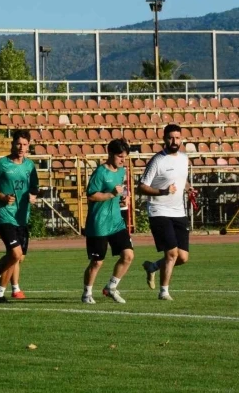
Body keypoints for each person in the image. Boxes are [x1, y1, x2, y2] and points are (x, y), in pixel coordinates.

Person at [138, 124, 194, 301]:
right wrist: (163, 191)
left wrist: (188, 188)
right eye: (171, 138)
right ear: (164, 139)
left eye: (177, 138)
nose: (174, 141)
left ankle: (153, 267)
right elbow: (142, 186)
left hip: (178, 211)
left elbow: (180, 179)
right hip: (159, 211)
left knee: (182, 257)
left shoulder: (184, 158)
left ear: (181, 139)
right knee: (171, 254)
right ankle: (164, 292)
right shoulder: (157, 160)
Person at [0, 130, 39, 303]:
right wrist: (1, 197)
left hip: (21, 216)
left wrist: (33, 196)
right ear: (12, 143)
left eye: (25, 144)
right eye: (18, 144)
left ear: (28, 146)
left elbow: (34, 187)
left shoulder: (30, 166)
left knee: (17, 257)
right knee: (15, 254)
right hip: (4, 215)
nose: (21, 147)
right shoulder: (1, 164)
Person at [81, 138, 134, 305]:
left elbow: (118, 191)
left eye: (124, 157)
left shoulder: (121, 171)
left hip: (116, 221)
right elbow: (91, 195)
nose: (123, 160)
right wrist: (111, 194)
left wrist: (123, 198)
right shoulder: (100, 172)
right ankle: (87, 293)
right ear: (110, 154)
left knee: (128, 255)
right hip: (99, 223)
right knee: (97, 262)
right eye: (120, 156)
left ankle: (111, 287)